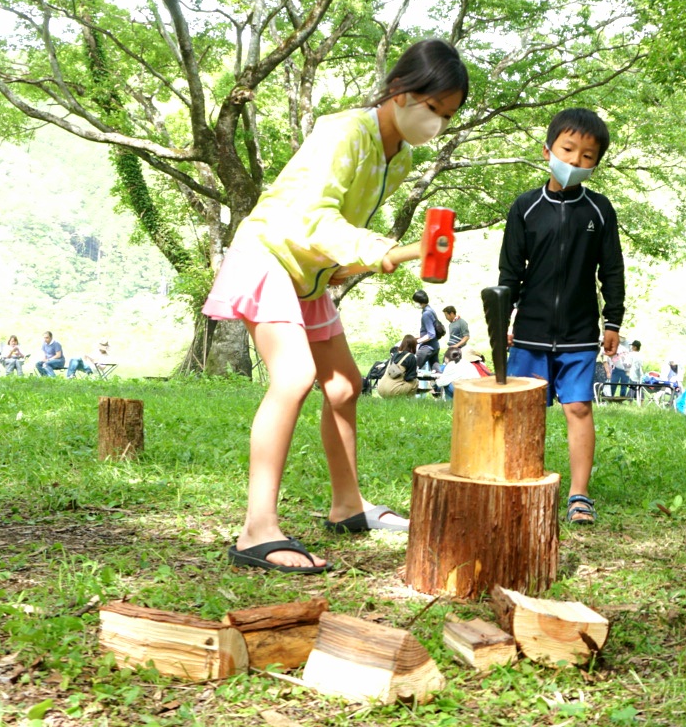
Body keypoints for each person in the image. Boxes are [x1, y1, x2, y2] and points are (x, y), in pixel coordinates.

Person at [204, 39, 468, 573]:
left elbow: (338, 237)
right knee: (295, 377)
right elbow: (311, 218)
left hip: (308, 272)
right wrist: (378, 249)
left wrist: (376, 257)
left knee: (345, 384)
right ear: (400, 90)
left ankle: (348, 507)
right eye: (432, 107)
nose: (435, 122)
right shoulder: (343, 132)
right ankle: (257, 528)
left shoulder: (400, 161)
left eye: (446, 115)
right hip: (270, 254)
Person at [498, 107, 626, 526]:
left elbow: (612, 270)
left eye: (587, 156)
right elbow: (510, 272)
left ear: (596, 163)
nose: (574, 161)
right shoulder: (524, 207)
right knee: (525, 411)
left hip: (579, 332)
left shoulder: (600, 210)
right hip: (530, 331)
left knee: (579, 409)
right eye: (567, 149)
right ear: (548, 150)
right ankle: (519, 482)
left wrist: (613, 321)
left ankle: (579, 494)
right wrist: (504, 321)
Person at [414, 290, 443, 372]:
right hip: (435, 346)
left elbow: (431, 334)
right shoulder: (431, 310)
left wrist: (418, 341)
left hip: (427, 347)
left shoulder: (426, 314)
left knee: (412, 368)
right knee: (437, 373)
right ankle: (440, 384)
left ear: (419, 302)